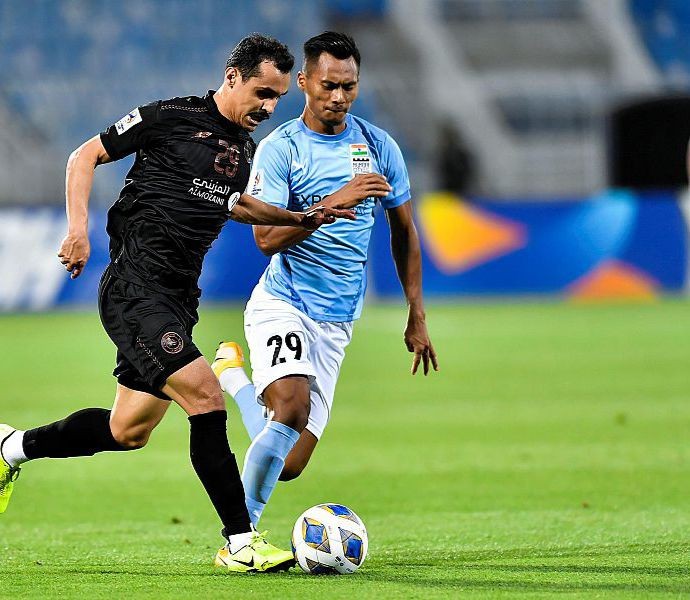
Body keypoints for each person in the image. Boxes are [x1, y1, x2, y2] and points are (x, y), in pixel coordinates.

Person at [0, 33, 382, 573]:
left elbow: (238, 205)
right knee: (205, 395)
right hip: (136, 288)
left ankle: (12, 448)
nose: (269, 107)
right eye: (262, 93)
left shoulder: (243, 149)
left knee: (128, 430)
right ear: (232, 77)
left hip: (178, 298)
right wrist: (78, 230)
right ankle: (240, 541)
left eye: (277, 98)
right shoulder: (170, 117)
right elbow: (84, 156)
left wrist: (306, 217)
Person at [211, 31, 439, 528]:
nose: (338, 96)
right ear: (304, 82)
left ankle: (233, 378)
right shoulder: (280, 149)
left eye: (348, 86)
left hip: (337, 321)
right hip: (284, 302)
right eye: (328, 85)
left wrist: (416, 314)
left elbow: (405, 232)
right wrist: (332, 203)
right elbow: (266, 239)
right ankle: (240, 538)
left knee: (289, 463)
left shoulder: (378, 146)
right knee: (291, 409)